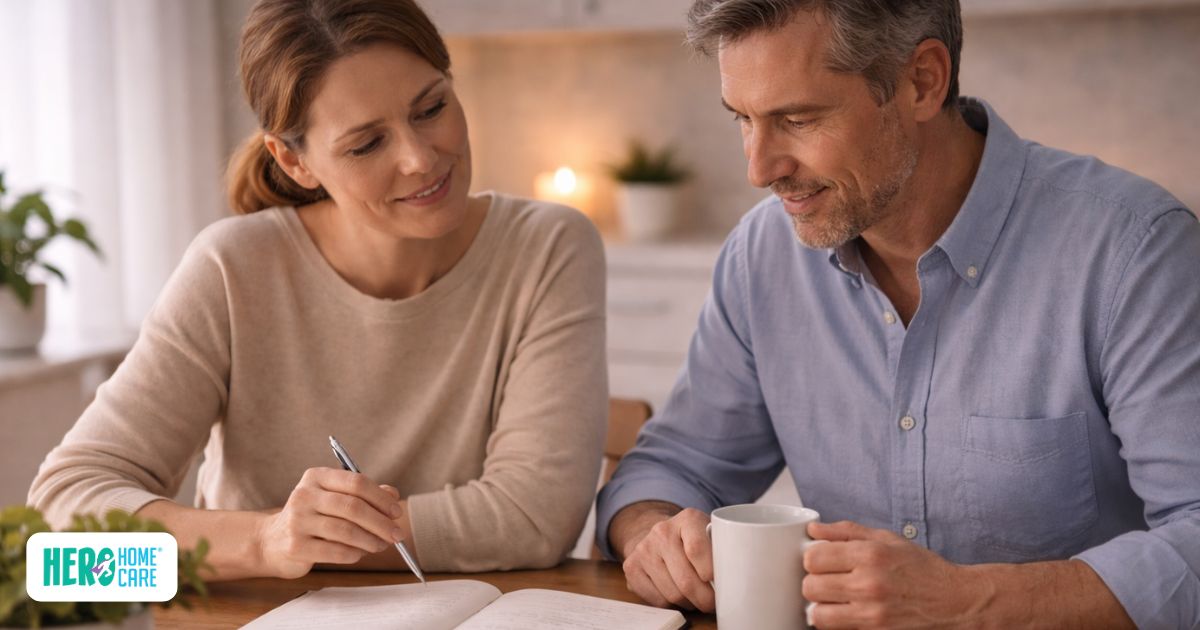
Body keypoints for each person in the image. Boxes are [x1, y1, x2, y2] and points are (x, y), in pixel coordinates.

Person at [597, 1, 1200, 627]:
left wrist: (968, 603)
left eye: (797, 118)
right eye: (742, 120)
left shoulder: (1135, 252)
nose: (759, 169)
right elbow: (670, 470)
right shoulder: (762, 256)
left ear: (923, 81)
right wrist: (654, 535)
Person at [29, 0, 607, 581]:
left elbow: (537, 518)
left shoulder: (547, 246)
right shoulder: (232, 268)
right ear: (293, 160)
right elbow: (59, 547)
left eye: (431, 108)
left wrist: (316, 540)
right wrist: (264, 542)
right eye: (366, 144)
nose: (420, 158)